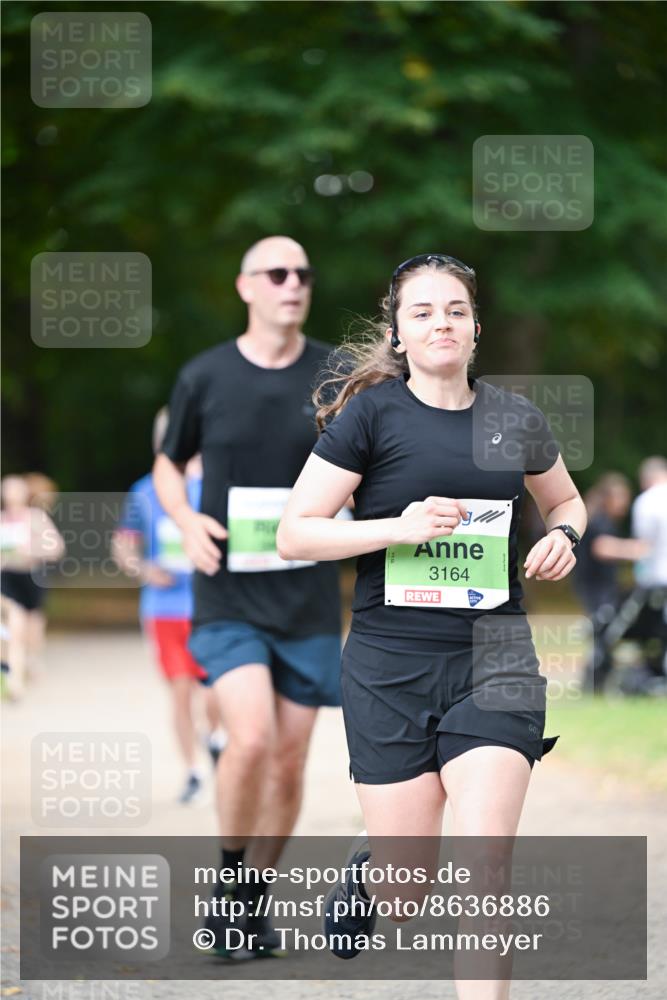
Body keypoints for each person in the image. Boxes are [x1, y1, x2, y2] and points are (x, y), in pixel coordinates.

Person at [278, 252, 587, 997]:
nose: (440, 322)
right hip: (389, 664)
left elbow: (567, 504)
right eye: (421, 312)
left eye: (454, 309)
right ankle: (374, 869)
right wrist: (396, 528)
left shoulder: (514, 418)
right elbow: (296, 534)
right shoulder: (370, 417)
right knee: (407, 894)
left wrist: (563, 538)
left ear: (475, 327)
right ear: (399, 332)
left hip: (495, 658)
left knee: (485, 862)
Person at [153, 236, 342, 957]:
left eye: (303, 272)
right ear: (246, 287)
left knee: (290, 758)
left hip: (308, 597)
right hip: (228, 594)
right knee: (253, 736)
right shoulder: (204, 376)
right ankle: (228, 883)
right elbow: (168, 466)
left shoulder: (337, 375)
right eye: (277, 273)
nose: (293, 283)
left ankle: (249, 901)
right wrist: (183, 517)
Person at [113, 408, 224, 804]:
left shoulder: (215, 484)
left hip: (213, 607)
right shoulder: (144, 490)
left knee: (215, 693)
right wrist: (143, 568)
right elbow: (123, 545)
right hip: (163, 609)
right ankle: (193, 771)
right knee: (179, 693)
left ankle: (216, 740)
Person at [575, 473, 648, 692]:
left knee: (604, 632)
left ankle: (596, 680)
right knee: (603, 631)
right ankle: (593, 681)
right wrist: (637, 550)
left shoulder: (605, 520)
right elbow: (602, 547)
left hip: (600, 588)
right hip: (595, 589)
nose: (624, 504)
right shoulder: (599, 520)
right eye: (622, 498)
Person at [0, 474, 65, 699]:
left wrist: (30, 551)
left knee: (33, 628)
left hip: (32, 576)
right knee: (14, 627)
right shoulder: (1, 520)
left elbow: (56, 548)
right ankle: (14, 679)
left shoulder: (36, 518)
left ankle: (32, 658)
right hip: (7, 578)